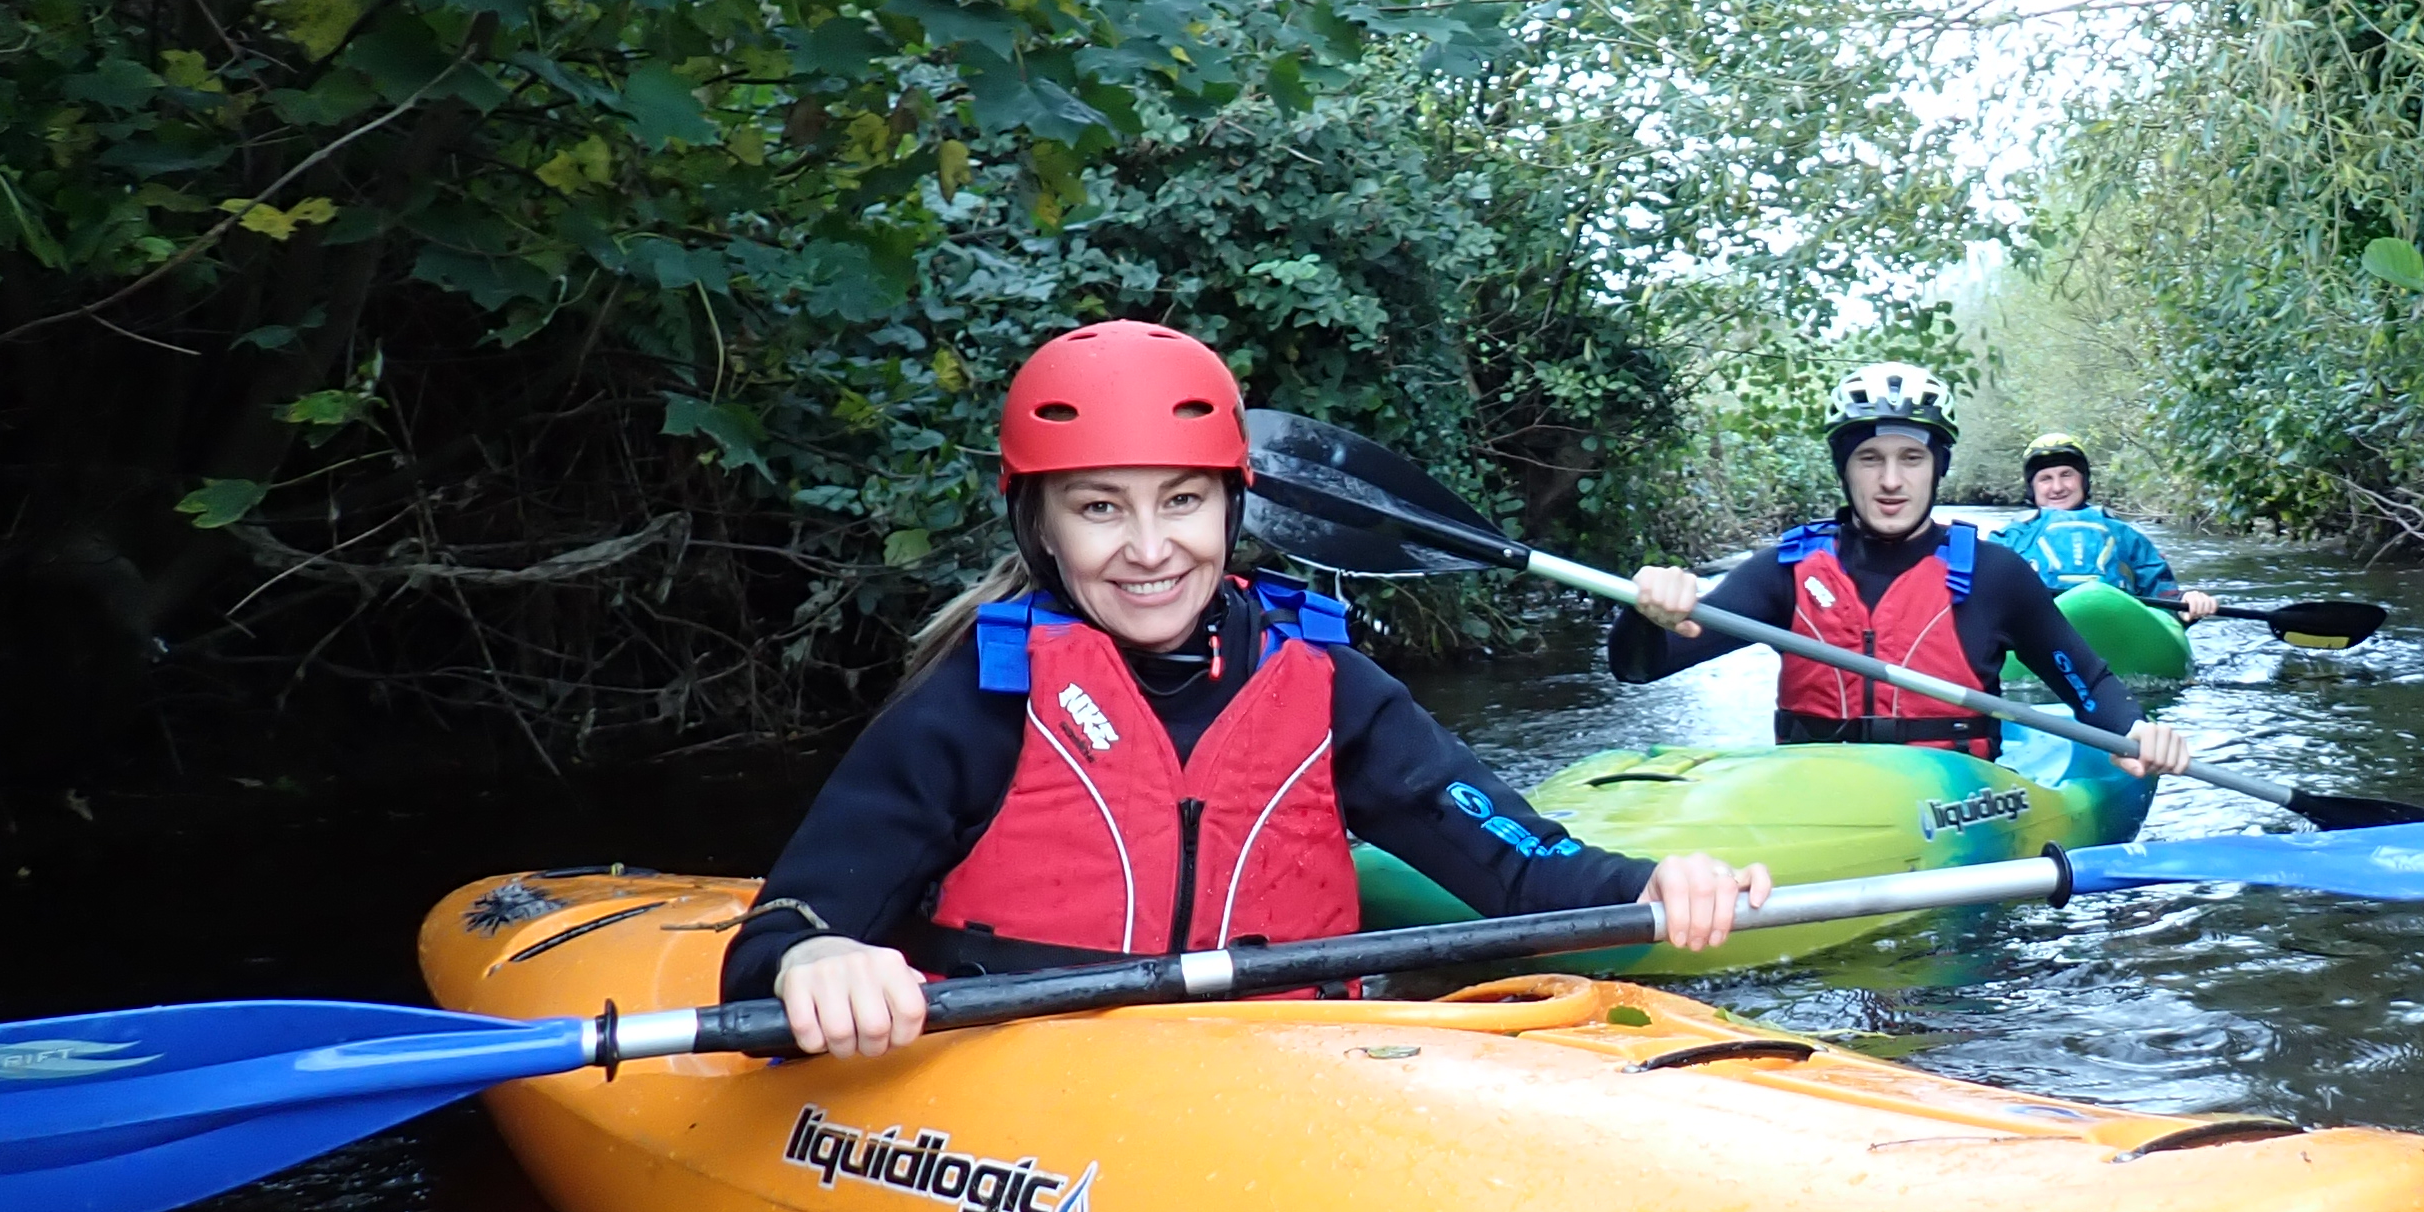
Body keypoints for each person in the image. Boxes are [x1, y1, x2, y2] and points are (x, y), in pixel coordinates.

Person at [731, 320, 1770, 1057]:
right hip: (1033, 1084)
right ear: (1040, 525)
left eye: (1182, 501)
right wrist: (815, 958)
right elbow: (783, 930)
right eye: (1099, 508)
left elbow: (1519, 867)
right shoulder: (980, 699)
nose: (1149, 549)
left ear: (1231, 509)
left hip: (1284, 1068)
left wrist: (1647, 884)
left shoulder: (1327, 686)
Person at [1611, 362, 2194, 777]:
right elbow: (1639, 667)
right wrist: (1645, 613)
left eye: (1911, 458)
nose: (1891, 481)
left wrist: (2135, 732)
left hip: (1956, 800)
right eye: (1870, 459)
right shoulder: (1786, 571)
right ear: (1844, 468)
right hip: (1813, 794)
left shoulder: (1995, 575)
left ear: (1938, 468)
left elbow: (2089, 684)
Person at [1994, 431, 2220, 623]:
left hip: (2117, 628)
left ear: (2083, 480)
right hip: (2037, 633)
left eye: (2066, 474)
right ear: (2032, 488)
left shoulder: (2126, 536)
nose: (2058, 487)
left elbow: (2163, 597)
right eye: (2045, 478)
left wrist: (2186, 603)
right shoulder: (2007, 540)